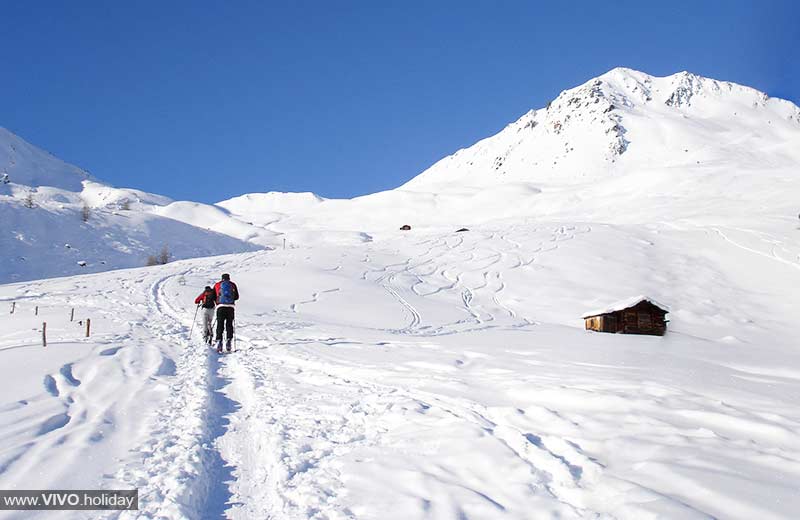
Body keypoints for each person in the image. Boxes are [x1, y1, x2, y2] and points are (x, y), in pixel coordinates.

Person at [213, 273, 239, 353]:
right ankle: (229, 341)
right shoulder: (232, 284)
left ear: (222, 278)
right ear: (229, 278)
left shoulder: (217, 285)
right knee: (229, 324)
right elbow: (237, 297)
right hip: (230, 307)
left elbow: (214, 296)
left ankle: (219, 342)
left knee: (220, 324)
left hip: (220, 307)